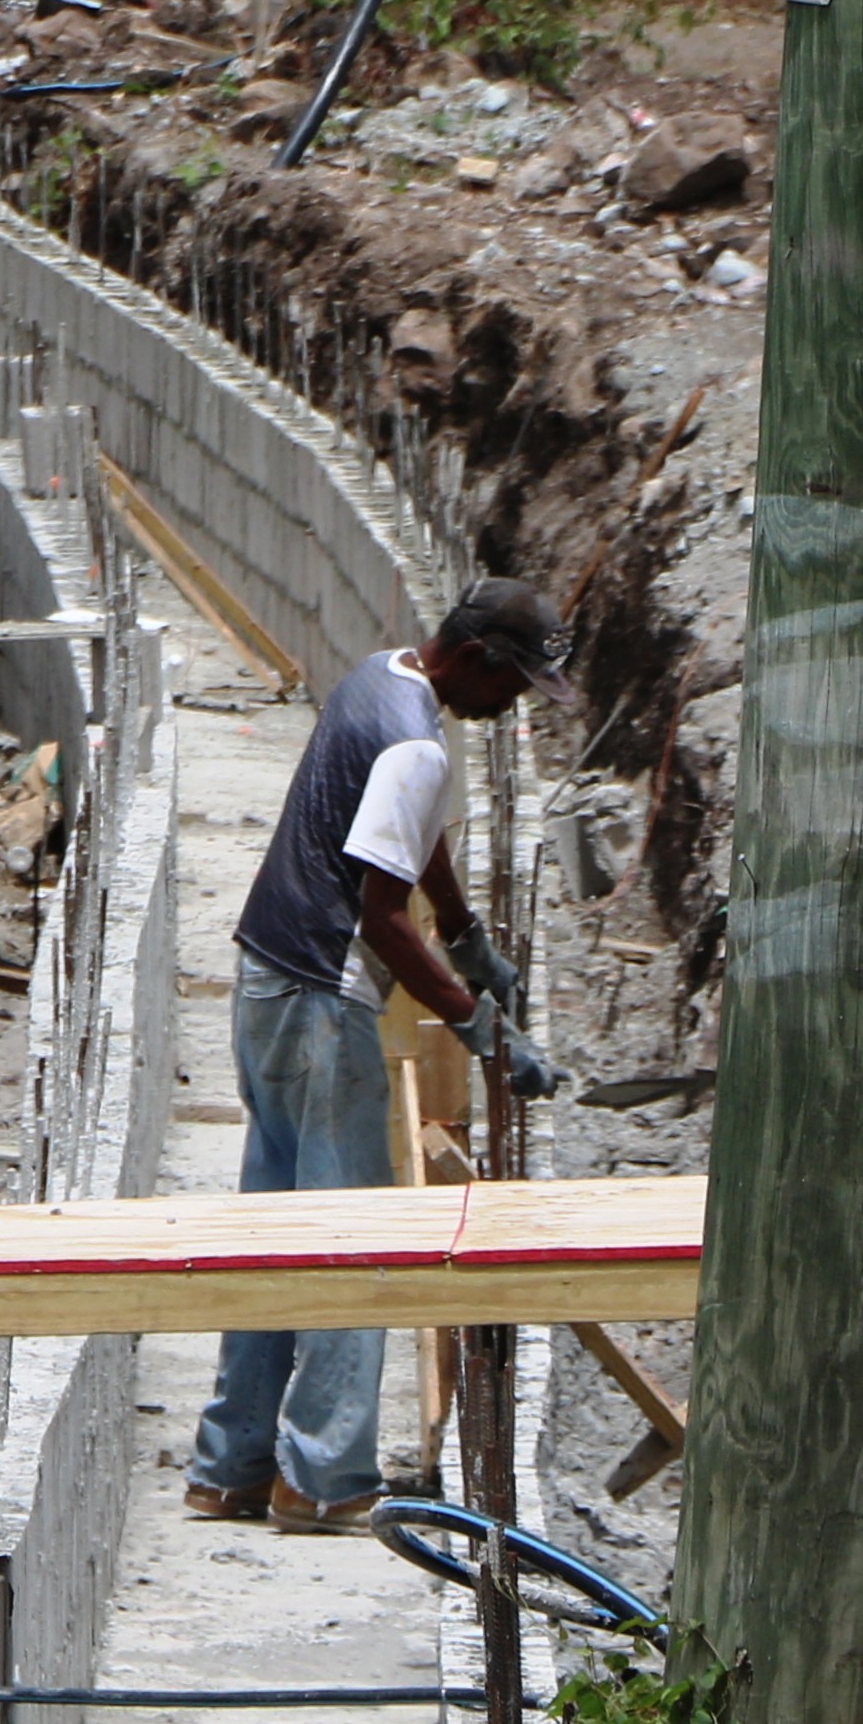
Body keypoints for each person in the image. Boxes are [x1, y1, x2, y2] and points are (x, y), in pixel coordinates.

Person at [187, 579, 557, 1536]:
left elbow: (403, 840)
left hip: (264, 978)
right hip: (321, 996)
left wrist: (468, 930)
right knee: (355, 1236)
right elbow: (383, 915)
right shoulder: (417, 743)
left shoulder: (374, 678)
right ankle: (324, 1479)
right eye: (513, 687)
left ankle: (230, 1466)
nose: (511, 708)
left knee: (271, 1226)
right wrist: (475, 1018)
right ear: (477, 659)